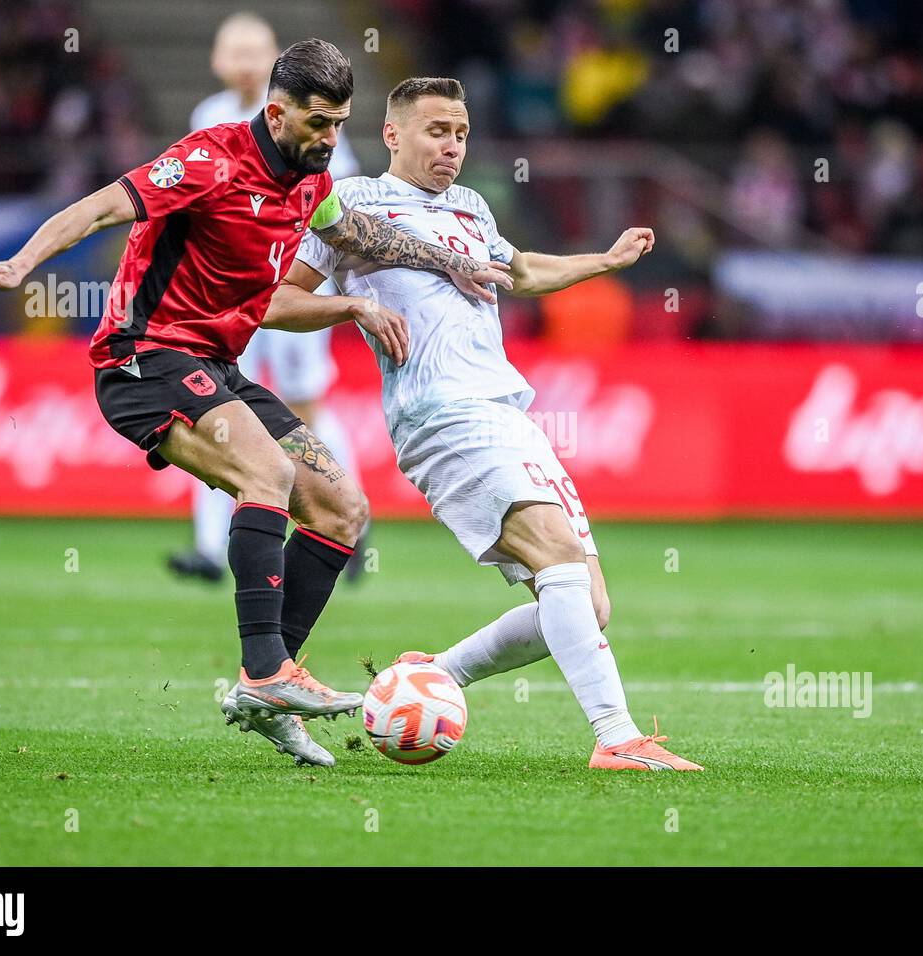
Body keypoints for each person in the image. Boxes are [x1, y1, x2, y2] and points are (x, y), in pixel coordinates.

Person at [0, 45, 511, 769]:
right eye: (317, 123)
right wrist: (21, 265)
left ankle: (263, 689)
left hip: (216, 367)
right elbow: (100, 208)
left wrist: (446, 265)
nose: (330, 140)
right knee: (268, 474)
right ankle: (268, 671)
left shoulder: (314, 183)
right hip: (142, 356)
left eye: (340, 123)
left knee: (342, 507)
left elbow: (363, 236)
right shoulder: (210, 160)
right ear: (275, 113)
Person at [270, 77, 701, 771]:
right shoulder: (350, 202)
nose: (452, 146)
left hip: (506, 412)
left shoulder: (471, 206)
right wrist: (353, 310)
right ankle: (617, 738)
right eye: (437, 130)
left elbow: (520, 271)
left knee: (587, 604)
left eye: (462, 133)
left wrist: (607, 260)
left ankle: (432, 675)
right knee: (557, 557)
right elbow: (279, 301)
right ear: (392, 135)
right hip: (440, 415)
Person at [171, 12, 367, 584]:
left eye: (256, 51)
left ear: (274, 58)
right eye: (235, 51)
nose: (246, 62)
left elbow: (333, 201)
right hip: (230, 291)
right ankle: (210, 547)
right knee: (220, 406)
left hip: (292, 284)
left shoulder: (312, 115)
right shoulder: (208, 117)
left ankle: (348, 510)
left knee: (303, 407)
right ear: (217, 60)